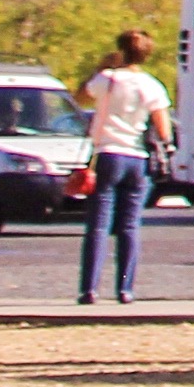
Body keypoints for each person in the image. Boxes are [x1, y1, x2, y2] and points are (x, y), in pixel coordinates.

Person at [75, 28, 169, 307]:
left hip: (107, 154)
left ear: (120, 49)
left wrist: (101, 67)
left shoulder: (107, 79)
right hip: (136, 158)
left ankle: (89, 289)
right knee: (129, 226)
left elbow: (80, 97)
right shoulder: (151, 85)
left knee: (98, 225)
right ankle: (125, 289)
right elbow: (163, 129)